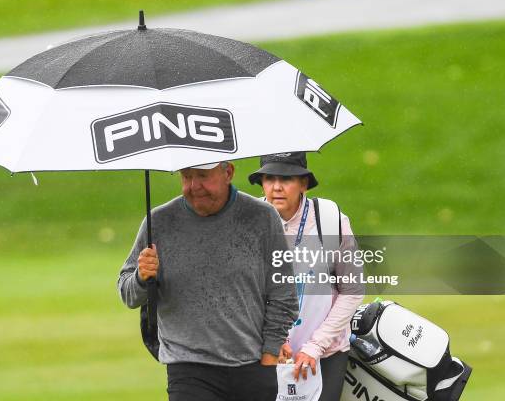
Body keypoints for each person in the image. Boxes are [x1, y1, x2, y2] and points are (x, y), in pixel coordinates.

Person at [117, 161, 298, 401]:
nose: (193, 186)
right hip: (188, 368)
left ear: (228, 173)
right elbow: (127, 293)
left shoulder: (262, 218)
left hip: (252, 367)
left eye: (202, 176)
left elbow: (283, 294)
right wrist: (142, 277)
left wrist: (269, 356)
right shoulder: (158, 222)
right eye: (186, 177)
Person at [248, 152, 365, 401]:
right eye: (269, 178)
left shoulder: (331, 221)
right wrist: (269, 338)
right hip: (264, 352)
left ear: (304, 184)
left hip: (325, 354)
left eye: (287, 178)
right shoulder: (247, 222)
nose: (277, 187)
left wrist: (315, 346)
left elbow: (352, 290)